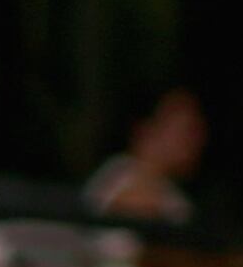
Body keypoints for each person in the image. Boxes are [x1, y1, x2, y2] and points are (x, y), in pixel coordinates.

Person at [84, 87, 206, 225]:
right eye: (183, 128)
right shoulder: (121, 177)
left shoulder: (171, 194)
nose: (194, 139)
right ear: (146, 130)